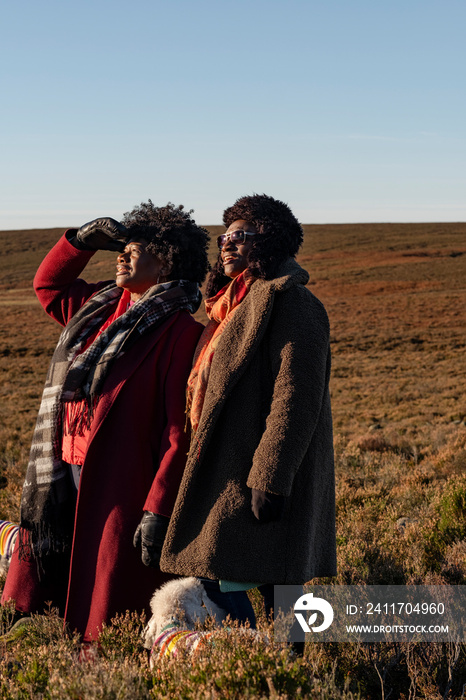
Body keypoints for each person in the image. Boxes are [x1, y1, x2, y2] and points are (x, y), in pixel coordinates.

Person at [1, 201, 209, 644]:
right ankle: (39, 646)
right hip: (62, 474)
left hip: (119, 487)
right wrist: (79, 241)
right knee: (49, 583)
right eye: (122, 247)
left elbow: (179, 433)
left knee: (102, 602)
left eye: (136, 249)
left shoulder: (180, 333)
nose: (122, 255)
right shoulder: (97, 306)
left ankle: (96, 665)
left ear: (167, 260)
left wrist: (158, 506)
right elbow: (49, 286)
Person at [159, 193, 337, 625]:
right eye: (225, 235)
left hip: (266, 476)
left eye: (241, 235)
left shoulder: (295, 303)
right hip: (228, 467)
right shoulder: (229, 308)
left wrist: (270, 478)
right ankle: (251, 670)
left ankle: (282, 680)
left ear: (269, 241)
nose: (227, 243)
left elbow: (295, 396)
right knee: (229, 577)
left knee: (279, 593)